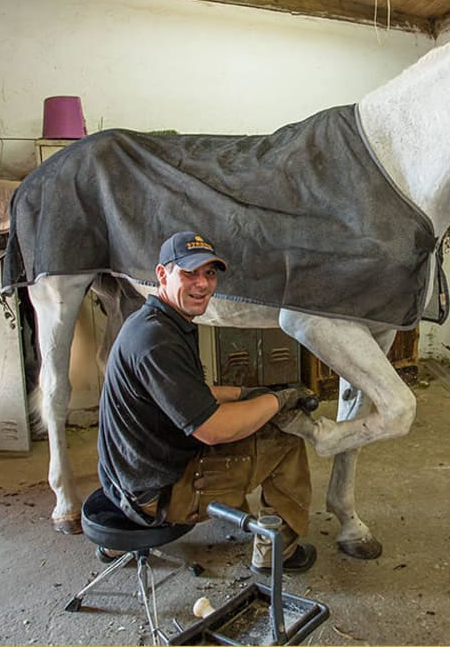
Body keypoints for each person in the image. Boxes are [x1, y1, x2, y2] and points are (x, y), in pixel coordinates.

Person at [97, 231, 316, 574]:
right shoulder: (157, 341)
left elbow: (191, 393)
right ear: (162, 274)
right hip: (156, 495)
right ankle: (276, 554)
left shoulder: (155, 321)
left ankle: (228, 504)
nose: (203, 284)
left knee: (255, 413)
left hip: (126, 476)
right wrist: (280, 399)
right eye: (190, 273)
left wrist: (247, 394)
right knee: (286, 438)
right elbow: (213, 430)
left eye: (210, 274)